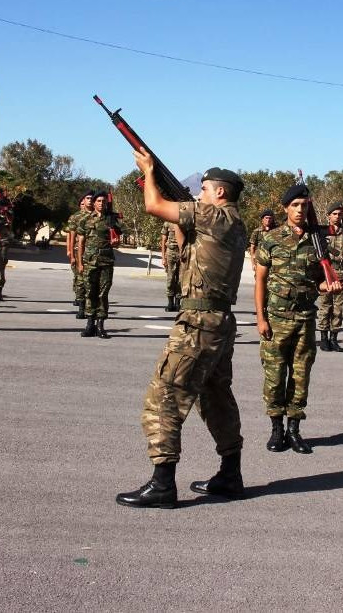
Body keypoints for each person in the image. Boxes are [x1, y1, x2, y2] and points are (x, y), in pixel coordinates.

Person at [116, 148, 247, 509]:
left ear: (219, 193)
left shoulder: (213, 214)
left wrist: (149, 171)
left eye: (204, 189)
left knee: (164, 397)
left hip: (198, 324)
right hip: (218, 322)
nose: (199, 195)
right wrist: (173, 207)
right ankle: (230, 474)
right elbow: (185, 244)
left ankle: (162, 484)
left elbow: (153, 206)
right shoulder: (232, 222)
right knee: (215, 397)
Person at [255, 184, 342, 454]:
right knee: (274, 376)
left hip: (305, 318)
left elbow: (319, 284)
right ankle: (276, 429)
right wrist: (261, 318)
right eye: (295, 205)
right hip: (277, 318)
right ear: (285, 208)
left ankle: (294, 430)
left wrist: (330, 286)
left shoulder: (317, 242)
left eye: (304, 206)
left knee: (301, 376)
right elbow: (260, 280)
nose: (300, 210)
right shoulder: (271, 239)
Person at [76, 190, 120, 338]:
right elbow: (81, 242)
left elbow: (117, 240)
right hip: (90, 262)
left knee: (103, 294)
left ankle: (100, 326)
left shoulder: (112, 220)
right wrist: (80, 263)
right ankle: (90, 325)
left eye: (103, 201)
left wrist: (116, 243)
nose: (101, 203)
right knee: (90, 293)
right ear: (94, 203)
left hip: (106, 262)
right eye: (99, 201)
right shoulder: (85, 219)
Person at [315, 201, 343, 352]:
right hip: (326, 275)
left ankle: (334, 339)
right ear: (328, 216)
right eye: (334, 214)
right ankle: (324, 339)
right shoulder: (322, 232)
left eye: (340, 214)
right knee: (325, 308)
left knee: (338, 310)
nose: (337, 216)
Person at [66, 192, 94, 319]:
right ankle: (82, 306)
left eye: (91, 198)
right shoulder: (76, 217)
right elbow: (71, 236)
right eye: (87, 198)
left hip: (93, 253)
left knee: (92, 281)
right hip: (79, 251)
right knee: (81, 279)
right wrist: (71, 253)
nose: (89, 201)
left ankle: (90, 307)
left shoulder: (98, 215)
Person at [160, 220, 182, 311]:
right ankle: (170, 303)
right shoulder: (168, 223)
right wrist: (163, 257)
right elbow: (163, 240)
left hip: (181, 253)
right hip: (171, 253)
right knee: (171, 278)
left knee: (181, 279)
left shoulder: (184, 222)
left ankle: (178, 303)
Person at [248, 208, 276, 274]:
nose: (268, 220)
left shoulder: (277, 231)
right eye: (266, 218)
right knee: (259, 282)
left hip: (273, 262)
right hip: (260, 262)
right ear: (262, 219)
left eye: (270, 218)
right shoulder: (257, 232)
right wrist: (253, 263)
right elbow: (252, 248)